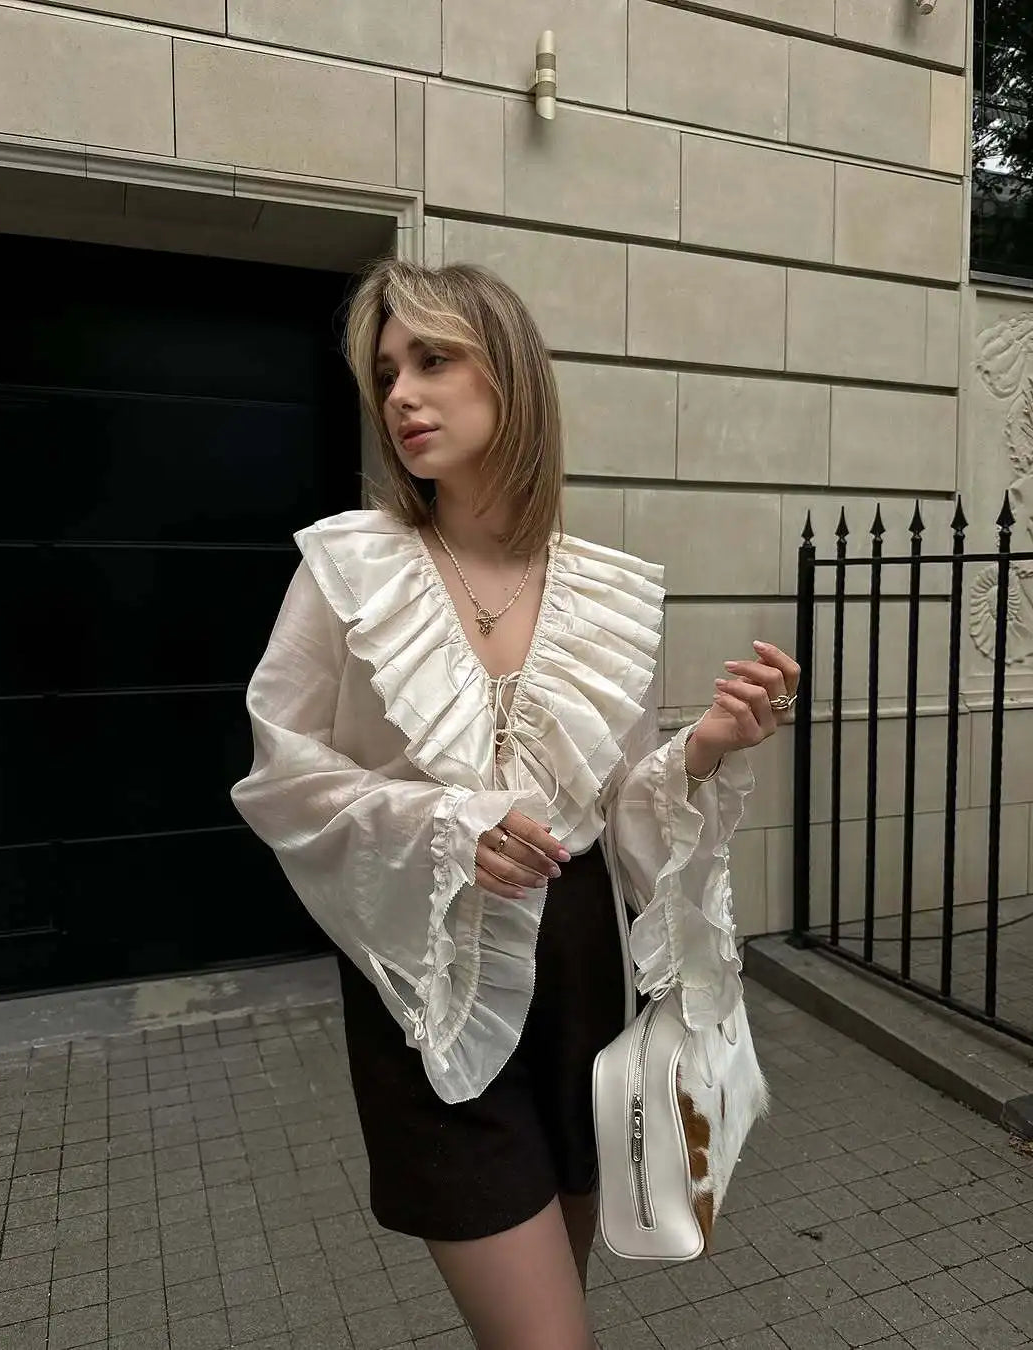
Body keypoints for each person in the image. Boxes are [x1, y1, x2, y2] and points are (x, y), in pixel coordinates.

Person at [231, 259, 799, 1350]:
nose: (400, 394)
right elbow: (282, 774)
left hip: (582, 975)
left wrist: (706, 748)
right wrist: (443, 827)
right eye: (386, 370)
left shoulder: (606, 590)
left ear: (513, 379)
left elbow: (619, 803)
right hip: (436, 985)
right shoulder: (348, 569)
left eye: (434, 360)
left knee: (555, 1316)